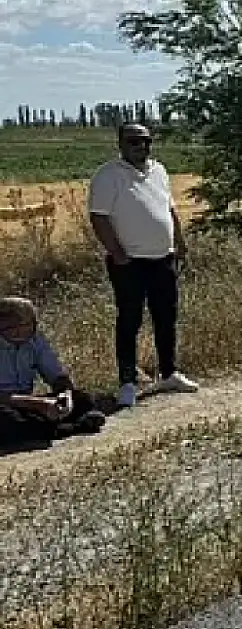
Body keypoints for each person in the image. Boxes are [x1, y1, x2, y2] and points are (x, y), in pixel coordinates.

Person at [87, 122, 199, 409]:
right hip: (129, 263)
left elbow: (169, 208)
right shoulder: (107, 175)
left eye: (147, 141)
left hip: (163, 258)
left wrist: (179, 242)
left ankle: (169, 373)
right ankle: (127, 382)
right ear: (121, 144)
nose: (142, 146)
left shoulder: (159, 171)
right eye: (135, 141)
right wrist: (117, 253)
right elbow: (99, 217)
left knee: (166, 318)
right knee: (129, 321)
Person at [1, 297, 105, 449]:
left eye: (23, 324)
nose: (18, 331)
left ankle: (46, 426)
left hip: (26, 403)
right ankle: (70, 428)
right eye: (10, 327)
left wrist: (65, 396)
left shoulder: (36, 341)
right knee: (6, 419)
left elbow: (57, 377)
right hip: (7, 403)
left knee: (82, 399)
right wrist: (38, 404)